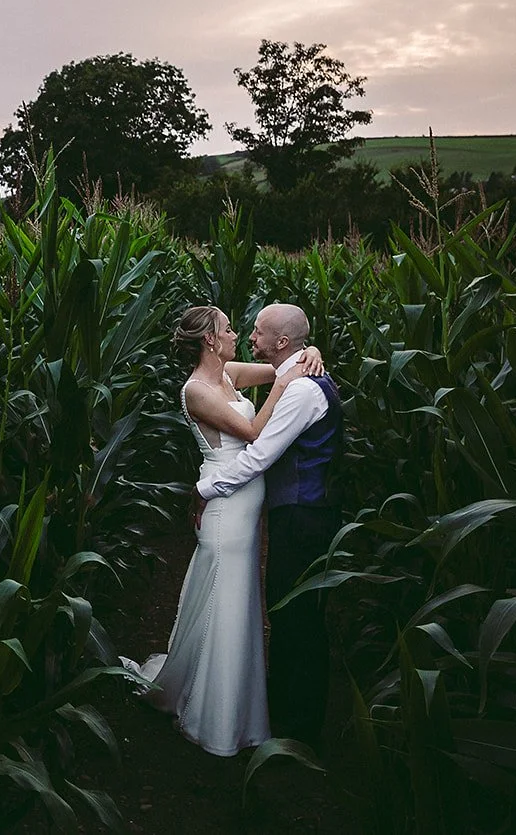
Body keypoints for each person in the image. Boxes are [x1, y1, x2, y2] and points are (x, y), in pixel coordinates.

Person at [121, 305, 323, 757]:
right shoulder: (195, 390)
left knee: (239, 602)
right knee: (225, 603)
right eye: (230, 329)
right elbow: (252, 430)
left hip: (243, 504)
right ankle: (216, 718)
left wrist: (309, 354)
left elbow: (279, 365)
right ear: (210, 340)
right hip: (225, 507)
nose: (236, 334)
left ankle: (234, 705)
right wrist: (289, 383)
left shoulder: (229, 372)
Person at [198, 302, 343, 748]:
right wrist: (305, 352)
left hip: (302, 515)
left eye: (258, 332)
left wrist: (204, 490)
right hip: (304, 511)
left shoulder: (299, 391)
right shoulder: (293, 376)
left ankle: (296, 725)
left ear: (281, 342)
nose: (249, 337)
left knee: (292, 615)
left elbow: (259, 454)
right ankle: (289, 711)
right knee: (291, 611)